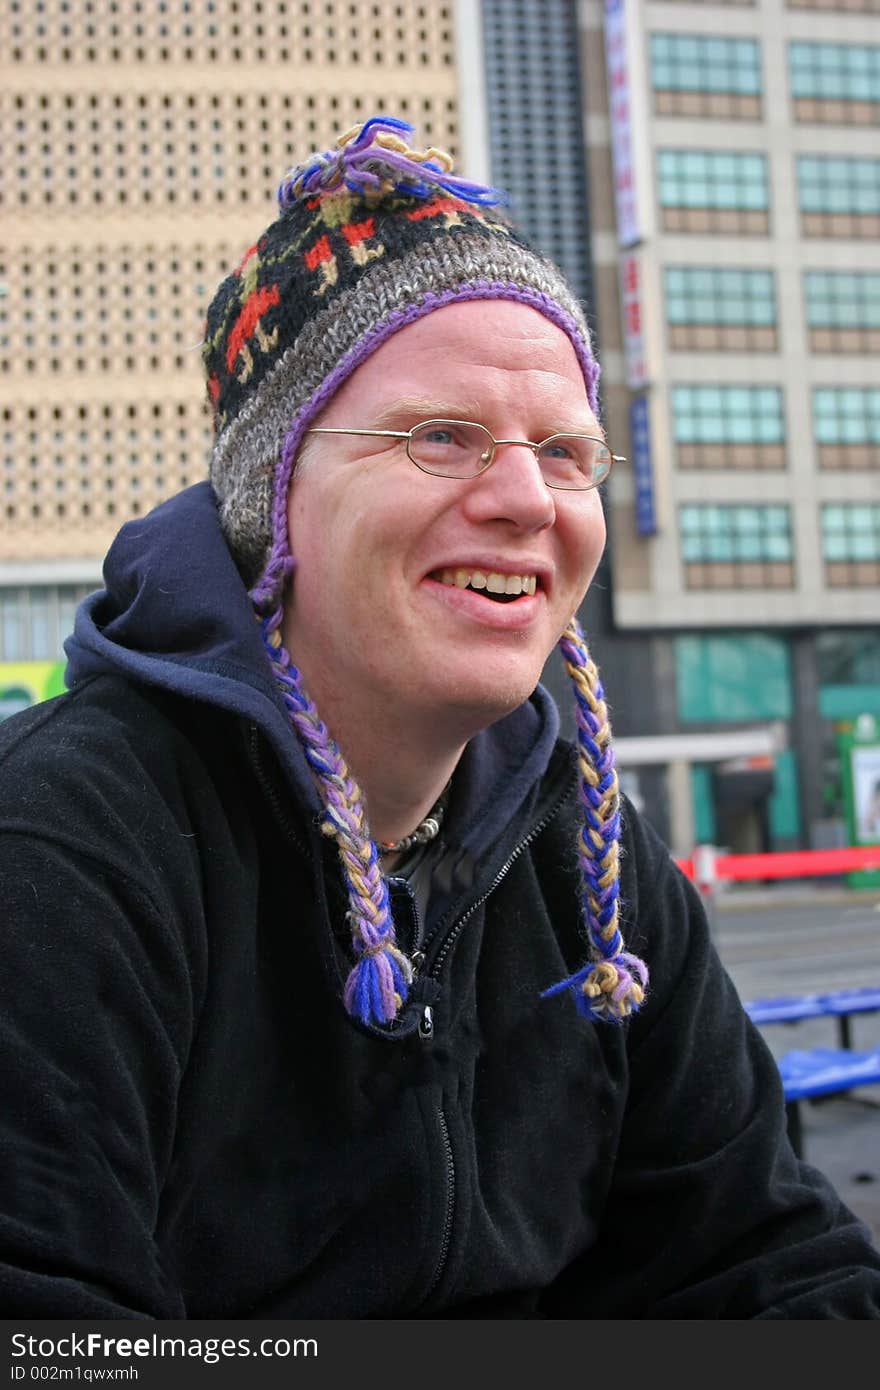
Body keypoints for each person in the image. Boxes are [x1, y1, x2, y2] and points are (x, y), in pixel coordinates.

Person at [1, 114, 878, 1320]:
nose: (525, 498)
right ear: (277, 502)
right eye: (441, 438)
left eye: (566, 454)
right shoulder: (63, 846)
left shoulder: (593, 856)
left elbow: (779, 1267)